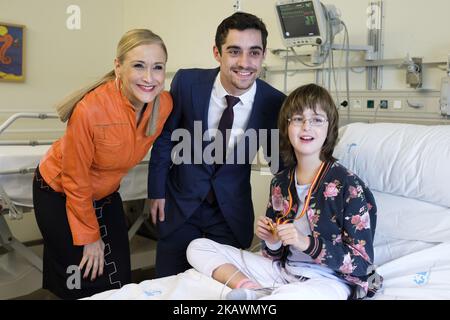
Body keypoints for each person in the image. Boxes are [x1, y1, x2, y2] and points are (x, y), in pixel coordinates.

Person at [187, 84, 383, 300]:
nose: (306, 126)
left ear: (330, 128)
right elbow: (273, 255)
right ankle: (251, 288)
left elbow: (361, 262)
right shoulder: (281, 182)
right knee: (198, 247)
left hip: (329, 281)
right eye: (298, 119)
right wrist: (272, 241)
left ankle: (273, 296)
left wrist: (306, 243)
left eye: (317, 119)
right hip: (284, 271)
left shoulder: (348, 186)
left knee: (293, 296)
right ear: (286, 127)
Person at [32, 29, 173, 299]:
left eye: (158, 67)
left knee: (118, 272)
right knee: (82, 274)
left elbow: (168, 143)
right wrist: (89, 237)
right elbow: (75, 179)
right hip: (59, 190)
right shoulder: (91, 110)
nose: (149, 78)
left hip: (105, 191)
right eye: (138, 66)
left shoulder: (163, 104)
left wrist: (159, 191)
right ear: (118, 67)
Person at [148, 12, 286, 277]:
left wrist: (287, 215)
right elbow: (166, 139)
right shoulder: (188, 83)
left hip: (229, 217)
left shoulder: (274, 102)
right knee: (168, 288)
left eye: (254, 52)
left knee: (219, 294)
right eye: (234, 51)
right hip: (179, 210)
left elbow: (280, 167)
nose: (245, 63)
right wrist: (156, 191)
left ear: (263, 54)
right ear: (217, 52)